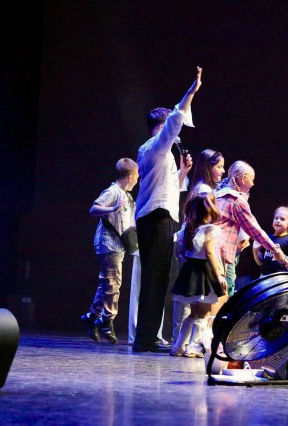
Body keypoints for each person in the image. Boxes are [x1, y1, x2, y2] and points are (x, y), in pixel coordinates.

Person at [132, 68, 200, 353]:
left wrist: (183, 172)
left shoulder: (162, 154)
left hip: (162, 216)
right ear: (161, 128)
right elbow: (175, 122)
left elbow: (169, 187)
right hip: (155, 217)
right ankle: (145, 338)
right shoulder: (155, 147)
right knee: (154, 278)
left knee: (159, 277)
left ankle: (149, 336)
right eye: (169, 127)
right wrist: (191, 92)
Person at [171, 149, 225, 355]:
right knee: (202, 313)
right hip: (203, 272)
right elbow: (210, 253)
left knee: (194, 313)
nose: (222, 170)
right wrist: (219, 275)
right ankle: (192, 346)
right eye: (219, 166)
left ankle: (179, 346)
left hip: (192, 271)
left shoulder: (192, 228)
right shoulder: (208, 228)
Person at [81, 158, 139, 344]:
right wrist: (113, 208)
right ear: (129, 177)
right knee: (113, 283)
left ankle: (91, 317)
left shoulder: (127, 196)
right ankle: (107, 320)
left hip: (118, 245)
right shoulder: (113, 192)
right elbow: (93, 209)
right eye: (136, 176)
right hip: (108, 243)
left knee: (108, 283)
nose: (137, 179)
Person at [214, 161, 288, 293]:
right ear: (243, 179)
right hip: (220, 255)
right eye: (252, 179)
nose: (253, 184)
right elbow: (254, 230)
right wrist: (276, 251)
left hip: (208, 253)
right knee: (221, 298)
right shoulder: (236, 200)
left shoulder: (217, 194)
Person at [252, 206, 288, 276]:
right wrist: (255, 250)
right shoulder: (267, 238)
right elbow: (260, 263)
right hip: (265, 276)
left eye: (282, 219)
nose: (278, 221)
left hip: (282, 276)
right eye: (276, 218)